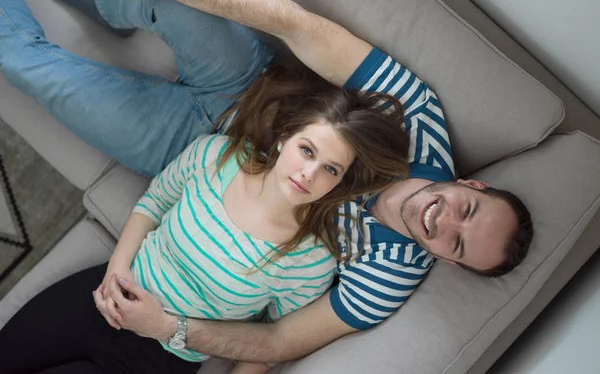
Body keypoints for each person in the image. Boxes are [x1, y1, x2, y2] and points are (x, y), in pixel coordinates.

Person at [0, 0, 533, 370]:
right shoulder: (419, 121)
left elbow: (279, 338)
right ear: (473, 185)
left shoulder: (383, 283)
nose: (444, 221)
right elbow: (302, 28)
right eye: (467, 209)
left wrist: (171, 329)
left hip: (184, 152)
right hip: (251, 86)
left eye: (457, 244)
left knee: (29, 69)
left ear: (450, 263)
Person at [0, 54, 411, 373]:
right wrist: (116, 271)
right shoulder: (218, 156)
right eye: (308, 150)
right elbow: (154, 203)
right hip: (101, 296)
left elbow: (269, 344)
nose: (309, 173)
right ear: (285, 139)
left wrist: (163, 327)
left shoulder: (311, 260)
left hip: (155, 363)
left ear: (339, 183)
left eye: (331, 170)